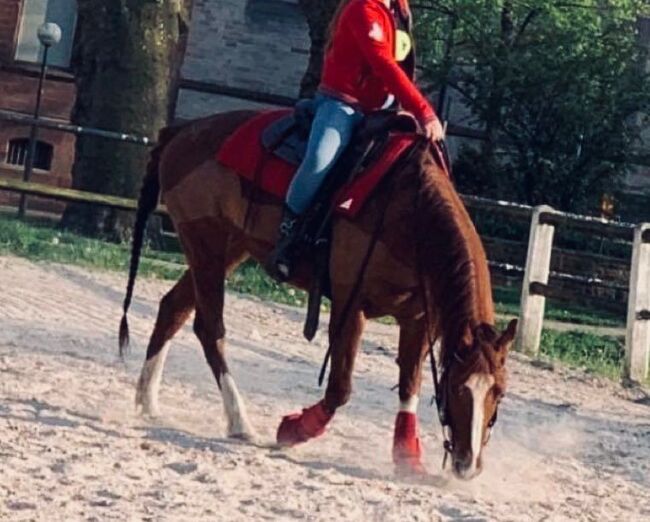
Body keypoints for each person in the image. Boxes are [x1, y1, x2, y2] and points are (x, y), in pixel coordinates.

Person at [268, 0, 445, 280]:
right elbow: (383, 63)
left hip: (382, 106)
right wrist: (423, 111)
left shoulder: (399, 8)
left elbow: (403, 62)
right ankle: (287, 234)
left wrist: (406, 107)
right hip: (342, 104)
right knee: (319, 160)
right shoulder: (363, 8)